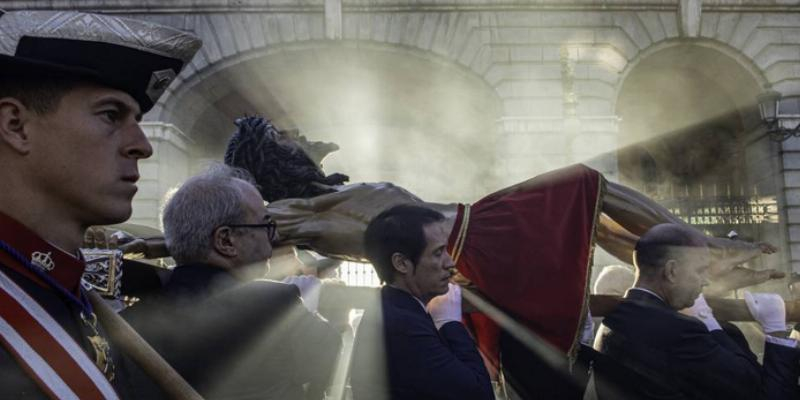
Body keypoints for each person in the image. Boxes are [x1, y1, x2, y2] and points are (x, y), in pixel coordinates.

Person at [221, 116, 780, 368]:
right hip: (477, 238)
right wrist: (160, 246)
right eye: (280, 138)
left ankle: (695, 266)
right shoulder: (294, 210)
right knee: (587, 184)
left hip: (475, 238)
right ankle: (702, 249)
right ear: (270, 160)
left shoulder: (323, 196)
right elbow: (229, 229)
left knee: (588, 212)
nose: (294, 137)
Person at [0, 10, 200, 399]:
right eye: (111, 114)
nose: (141, 145)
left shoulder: (65, 288)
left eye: (137, 119)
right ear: (15, 126)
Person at [122, 164, 341, 400]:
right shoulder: (274, 303)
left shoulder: (126, 322)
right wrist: (309, 307)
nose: (274, 237)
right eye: (265, 225)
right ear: (226, 240)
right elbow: (333, 364)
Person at [593, 223, 800, 400]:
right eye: (700, 270)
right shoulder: (677, 332)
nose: (706, 281)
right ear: (672, 271)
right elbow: (762, 392)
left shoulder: (613, 321)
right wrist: (775, 330)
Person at [350, 204, 493, 400]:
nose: (450, 263)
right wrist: (450, 323)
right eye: (438, 253)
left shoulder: (394, 309)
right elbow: (479, 394)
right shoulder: (403, 324)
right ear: (401, 263)